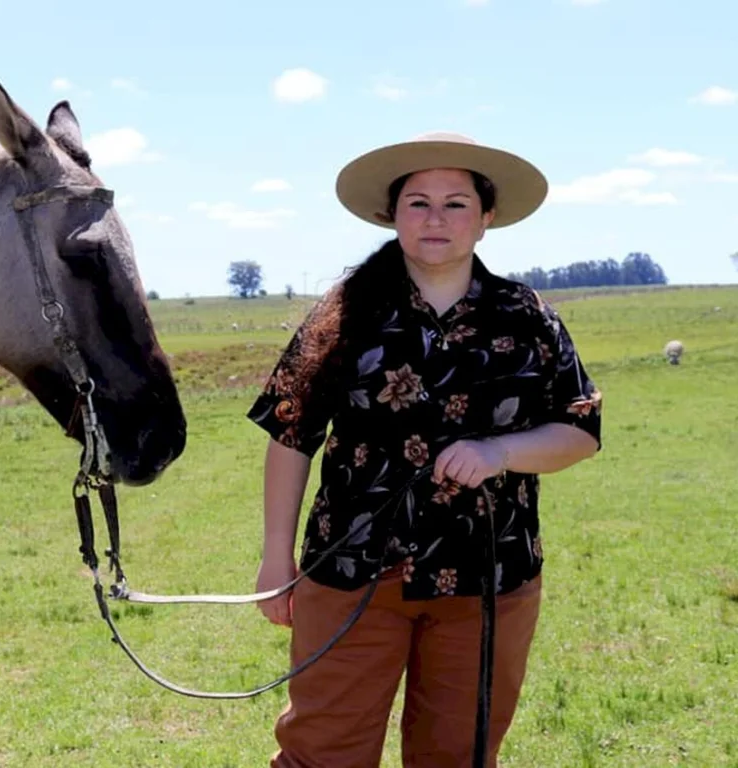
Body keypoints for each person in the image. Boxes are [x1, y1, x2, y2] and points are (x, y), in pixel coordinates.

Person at [246, 132, 603, 768]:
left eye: (456, 203)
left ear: (486, 218)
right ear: (393, 214)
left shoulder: (527, 317)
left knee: (459, 756)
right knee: (321, 752)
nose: (436, 217)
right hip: (351, 570)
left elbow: (579, 431)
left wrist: (501, 452)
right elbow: (290, 434)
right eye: (418, 202)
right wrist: (276, 560)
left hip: (489, 576)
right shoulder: (344, 314)